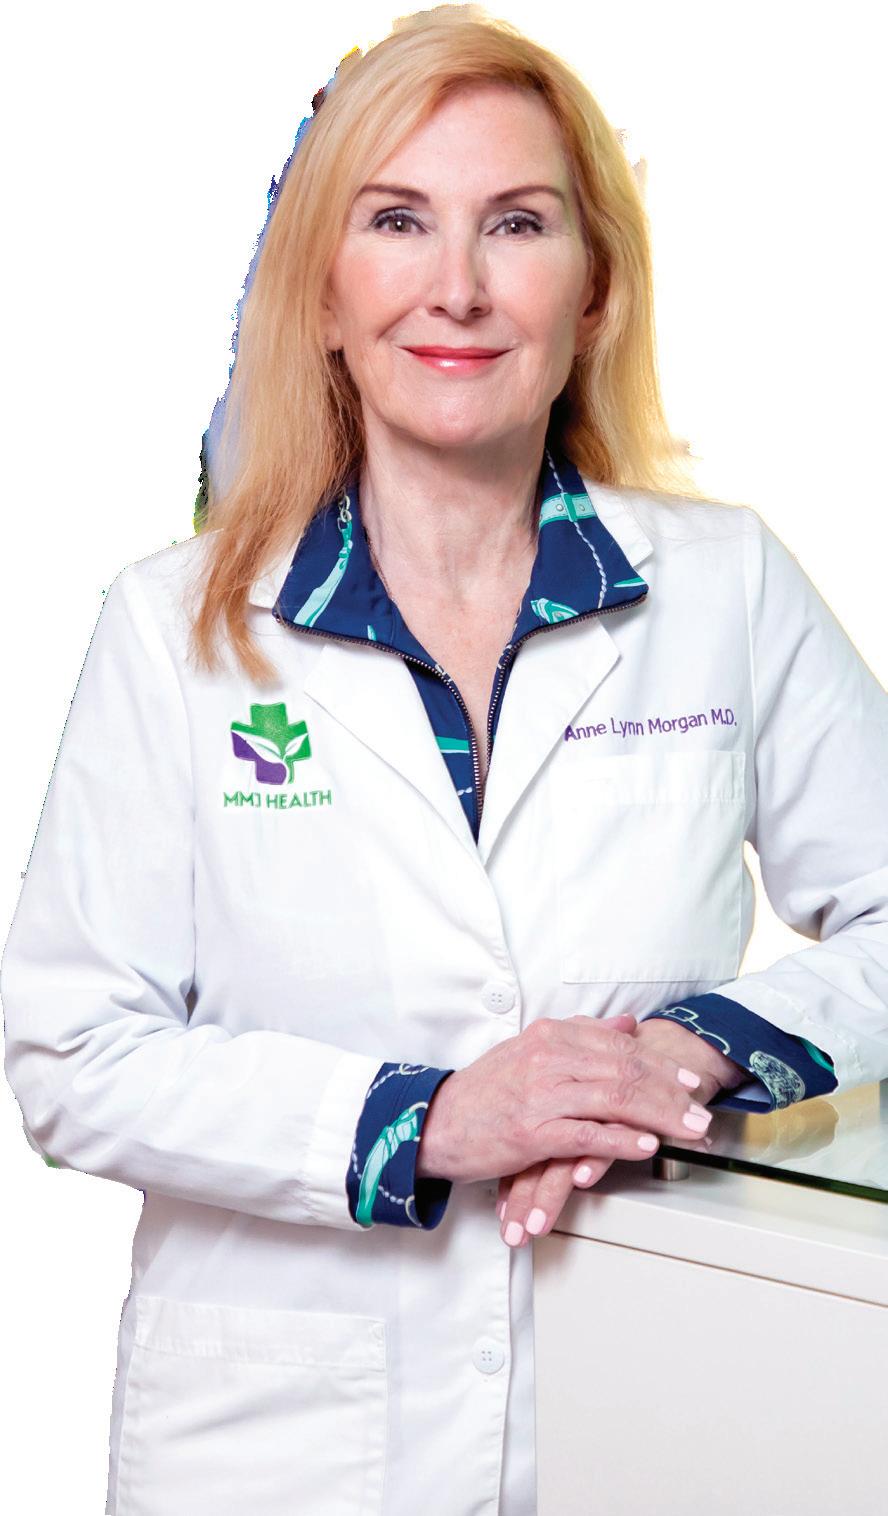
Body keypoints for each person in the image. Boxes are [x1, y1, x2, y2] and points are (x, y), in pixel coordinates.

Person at [2, 6, 886, 1513]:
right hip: (274, 1449)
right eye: (398, 220)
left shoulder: (724, 588)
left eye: (518, 224)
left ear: (594, 292)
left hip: (651, 1397)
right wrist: (427, 1122)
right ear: (324, 294)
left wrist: (685, 1052)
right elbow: (72, 1055)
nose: (459, 287)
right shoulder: (171, 628)